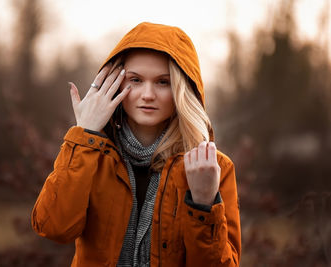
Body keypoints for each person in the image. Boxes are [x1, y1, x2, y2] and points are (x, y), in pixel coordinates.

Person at [31, 22, 241, 267]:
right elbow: (54, 228)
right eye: (136, 80)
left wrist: (204, 204)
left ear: (181, 89)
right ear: (115, 83)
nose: (148, 94)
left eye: (163, 82)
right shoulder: (92, 154)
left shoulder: (212, 166)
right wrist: (84, 134)